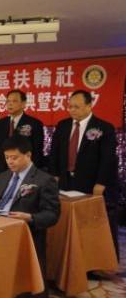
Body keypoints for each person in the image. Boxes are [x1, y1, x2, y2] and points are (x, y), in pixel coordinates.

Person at [0, 137, 60, 298]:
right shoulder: (3, 177)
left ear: (28, 155)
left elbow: (52, 215)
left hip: (24, 232)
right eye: (7, 158)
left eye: (14, 158)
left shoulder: (44, 180)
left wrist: (30, 217)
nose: (10, 162)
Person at [49, 89, 119, 259]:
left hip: (91, 183)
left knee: (90, 223)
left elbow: (108, 159)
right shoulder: (63, 125)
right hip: (65, 182)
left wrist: (101, 183)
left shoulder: (104, 128)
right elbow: (54, 152)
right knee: (67, 221)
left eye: (77, 107)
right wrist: (54, 175)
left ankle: (96, 260)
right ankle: (69, 258)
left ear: (89, 106)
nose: (72, 110)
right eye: (70, 106)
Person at [0, 89, 44, 175]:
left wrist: (32, 172)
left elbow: (37, 151)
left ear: (23, 104)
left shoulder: (34, 124)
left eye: (14, 101)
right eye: (8, 101)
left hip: (24, 171)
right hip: (2, 171)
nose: (10, 104)